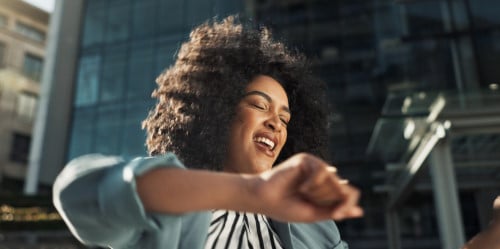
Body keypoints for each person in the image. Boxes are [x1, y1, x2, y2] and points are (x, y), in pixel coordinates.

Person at [53, 16, 363, 249]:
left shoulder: (317, 229)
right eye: (259, 105)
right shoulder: (168, 208)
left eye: (285, 119)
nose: (275, 124)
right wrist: (250, 192)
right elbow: (78, 194)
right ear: (218, 109)